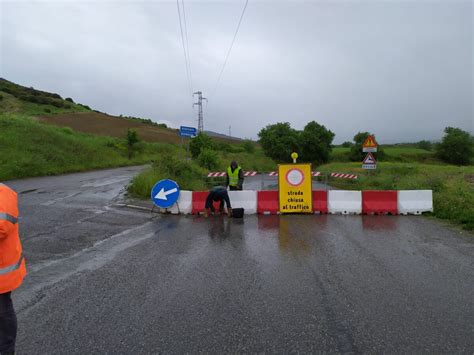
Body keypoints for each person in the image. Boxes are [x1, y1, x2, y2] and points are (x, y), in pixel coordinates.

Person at [0, 183, 26, 355]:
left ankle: (6, 350)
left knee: (1, 312)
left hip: (2, 274)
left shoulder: (4, 193)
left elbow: (2, 227)